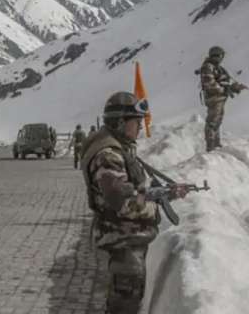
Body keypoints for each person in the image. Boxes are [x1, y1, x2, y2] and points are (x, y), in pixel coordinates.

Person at [80, 92, 188, 314]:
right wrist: (154, 204)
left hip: (126, 239)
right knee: (124, 305)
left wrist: (164, 193)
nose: (139, 127)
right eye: (136, 122)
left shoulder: (118, 148)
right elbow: (123, 203)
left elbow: (128, 190)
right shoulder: (108, 155)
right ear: (120, 122)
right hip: (122, 241)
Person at [199, 46, 247, 152]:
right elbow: (210, 84)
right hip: (213, 98)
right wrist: (224, 90)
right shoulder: (208, 67)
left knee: (217, 121)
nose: (222, 58)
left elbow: (225, 81)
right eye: (221, 56)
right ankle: (211, 147)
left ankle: (216, 144)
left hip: (219, 98)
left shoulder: (218, 68)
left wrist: (235, 87)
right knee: (212, 122)